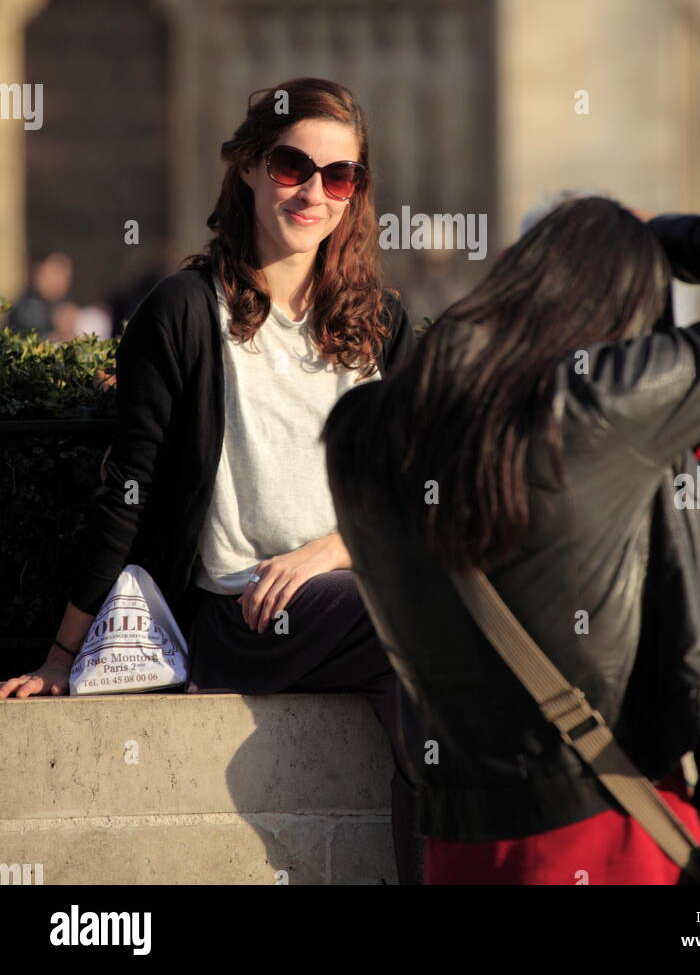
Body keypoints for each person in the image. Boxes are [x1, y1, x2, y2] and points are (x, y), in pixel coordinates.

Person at [323, 197, 700, 885]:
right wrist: (673, 237)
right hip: (604, 827)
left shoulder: (360, 429)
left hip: (457, 842)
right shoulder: (597, 406)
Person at [0, 77, 424, 885]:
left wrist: (328, 552)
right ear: (249, 167)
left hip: (352, 592)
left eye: (340, 176)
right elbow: (127, 489)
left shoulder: (381, 320)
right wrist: (61, 655)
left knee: (430, 723)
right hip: (242, 612)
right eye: (292, 164)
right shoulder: (185, 312)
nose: (314, 191)